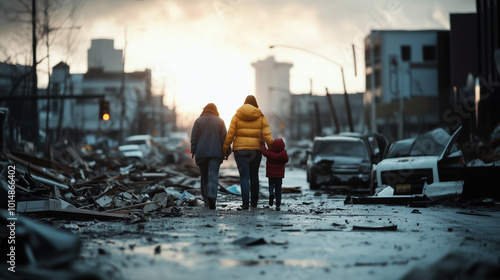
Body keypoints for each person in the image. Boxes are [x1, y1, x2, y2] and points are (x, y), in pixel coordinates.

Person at [223, 95, 273, 209]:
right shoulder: (260, 116)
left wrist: (224, 150)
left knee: (244, 177)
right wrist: (272, 149)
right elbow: (267, 135)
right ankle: (254, 203)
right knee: (254, 176)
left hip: (240, 151)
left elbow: (230, 135)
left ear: (244, 103)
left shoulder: (237, 116)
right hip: (255, 151)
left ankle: (245, 203)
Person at [190, 103, 227, 210]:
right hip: (215, 153)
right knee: (213, 176)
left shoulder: (198, 121)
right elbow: (224, 138)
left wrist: (193, 151)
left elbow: (194, 138)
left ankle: (206, 199)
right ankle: (212, 197)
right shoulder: (220, 121)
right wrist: (226, 152)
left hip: (201, 153)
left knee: (204, 176)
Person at [260, 138, 289, 211]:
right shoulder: (284, 154)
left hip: (271, 174)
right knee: (278, 190)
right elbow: (287, 160)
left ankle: (271, 193)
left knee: (271, 185)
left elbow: (263, 151)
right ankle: (278, 205)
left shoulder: (270, 153)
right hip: (279, 176)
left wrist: (262, 143)